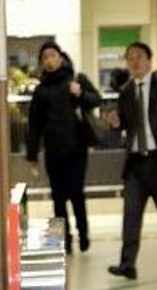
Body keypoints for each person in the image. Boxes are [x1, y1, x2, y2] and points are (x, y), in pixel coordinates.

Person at [106, 41, 157, 281]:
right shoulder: (126, 92)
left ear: (149, 60)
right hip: (134, 163)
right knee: (131, 214)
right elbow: (121, 124)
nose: (134, 61)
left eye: (139, 56)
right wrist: (114, 122)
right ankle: (127, 263)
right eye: (129, 58)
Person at [23, 40, 100, 253]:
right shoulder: (40, 91)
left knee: (76, 192)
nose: (49, 60)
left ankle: (83, 233)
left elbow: (96, 100)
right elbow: (35, 124)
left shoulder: (76, 80)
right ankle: (62, 240)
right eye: (45, 58)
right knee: (57, 196)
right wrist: (32, 154)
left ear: (61, 57)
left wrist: (80, 93)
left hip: (76, 148)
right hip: (53, 150)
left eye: (52, 56)